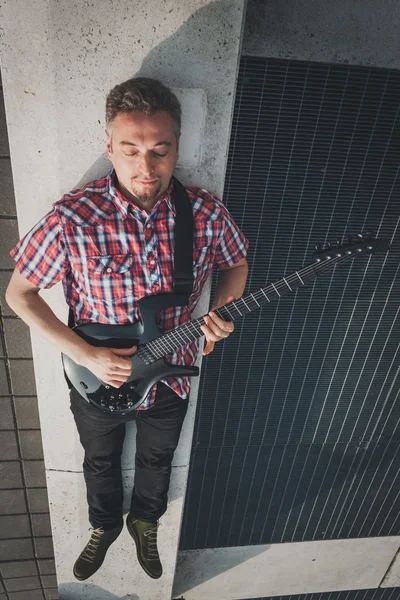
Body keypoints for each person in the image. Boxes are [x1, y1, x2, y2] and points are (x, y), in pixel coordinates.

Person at [6, 77, 249, 581]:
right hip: (95, 377)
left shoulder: (203, 212)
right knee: (99, 461)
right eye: (131, 149)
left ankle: (145, 522)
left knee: (159, 459)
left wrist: (222, 310)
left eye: (160, 151)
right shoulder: (73, 217)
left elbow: (236, 263)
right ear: (109, 146)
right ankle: (103, 525)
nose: (146, 166)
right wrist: (87, 355)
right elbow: (18, 296)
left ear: (177, 146)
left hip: (172, 371)